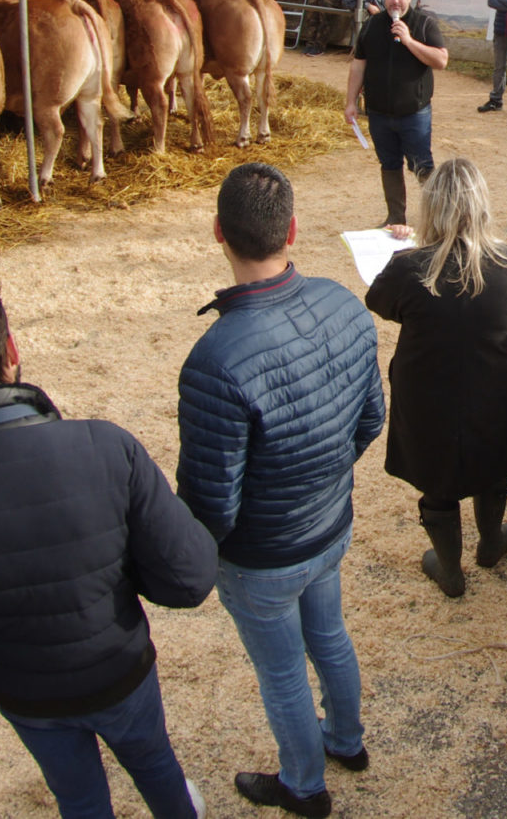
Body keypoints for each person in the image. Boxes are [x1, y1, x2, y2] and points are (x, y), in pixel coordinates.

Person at [0, 271, 217, 819]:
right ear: (12, 350)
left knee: (77, 797)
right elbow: (191, 577)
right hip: (118, 668)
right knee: (156, 766)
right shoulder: (106, 446)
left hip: (24, 689)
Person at [176, 164, 383, 817]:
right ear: (292, 230)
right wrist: (323, 478)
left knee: (284, 669)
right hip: (329, 523)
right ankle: (346, 741)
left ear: (218, 233)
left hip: (264, 555)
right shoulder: (346, 303)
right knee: (329, 634)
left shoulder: (217, 359)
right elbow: (371, 419)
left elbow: (212, 501)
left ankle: (303, 784)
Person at [367, 158, 507, 598]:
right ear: (482, 205)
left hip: (426, 400)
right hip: (489, 395)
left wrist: (409, 249)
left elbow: (380, 302)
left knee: (435, 480)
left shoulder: (409, 268)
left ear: (432, 209)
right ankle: (490, 544)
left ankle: (450, 569)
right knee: (491, 467)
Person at [346, 0, 449, 227]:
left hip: (414, 113)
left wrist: (409, 41)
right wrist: (350, 102)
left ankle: (438, 220)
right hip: (379, 113)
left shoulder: (424, 24)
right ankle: (395, 217)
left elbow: (441, 60)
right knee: (389, 165)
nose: (395, 1)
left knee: (423, 167)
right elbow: (359, 65)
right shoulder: (372, 26)